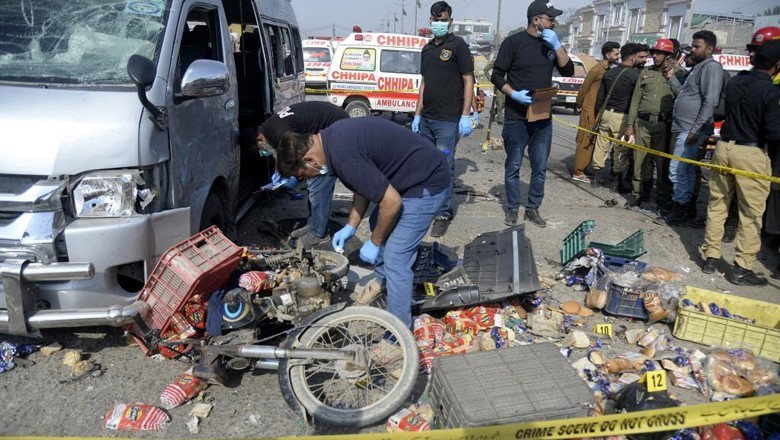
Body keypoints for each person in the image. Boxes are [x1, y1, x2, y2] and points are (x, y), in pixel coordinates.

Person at [275, 117, 450, 328]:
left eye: (304, 176)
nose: (309, 179)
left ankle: (398, 334)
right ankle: (382, 281)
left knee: (396, 258)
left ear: (310, 160)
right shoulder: (331, 140)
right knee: (378, 221)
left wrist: (375, 242)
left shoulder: (343, 157)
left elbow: (392, 202)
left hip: (427, 182)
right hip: (410, 176)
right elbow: (363, 184)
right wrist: (351, 225)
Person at [700, 40, 780, 286]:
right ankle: (741, 268)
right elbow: (773, 132)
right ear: (777, 65)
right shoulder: (771, 91)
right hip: (751, 153)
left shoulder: (736, 82)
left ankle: (711, 257)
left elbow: (722, 111)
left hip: (724, 147)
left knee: (717, 205)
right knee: (750, 214)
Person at [490, 0, 573, 228]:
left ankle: (532, 208)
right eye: (550, 19)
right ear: (536, 20)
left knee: (539, 168)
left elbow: (568, 70)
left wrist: (557, 45)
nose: (554, 23)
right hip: (516, 116)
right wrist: (513, 94)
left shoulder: (551, 44)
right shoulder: (513, 43)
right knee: (514, 165)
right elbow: (496, 75)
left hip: (542, 118)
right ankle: (512, 207)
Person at [412, 1, 475, 238]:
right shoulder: (427, 49)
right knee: (426, 166)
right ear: (430, 21)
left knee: (444, 167)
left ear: (450, 21)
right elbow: (424, 83)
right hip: (427, 119)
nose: (440, 23)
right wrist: (417, 114)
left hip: (448, 121)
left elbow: (468, 80)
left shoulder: (458, 46)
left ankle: (443, 213)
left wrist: (466, 114)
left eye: (444, 20)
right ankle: (428, 207)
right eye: (436, 20)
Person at [256, 101, 349, 247]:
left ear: (259, 139)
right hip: (330, 126)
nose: (262, 152)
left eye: (260, 149)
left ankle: (319, 233)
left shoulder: (279, 132)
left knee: (318, 184)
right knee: (313, 184)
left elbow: (301, 153)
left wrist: (294, 176)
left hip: (338, 129)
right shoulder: (271, 128)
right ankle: (314, 224)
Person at [663, 31, 724, 225]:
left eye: (697, 46)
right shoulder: (698, 67)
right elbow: (685, 94)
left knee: (679, 170)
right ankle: (684, 207)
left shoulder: (711, 68)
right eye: (693, 46)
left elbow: (710, 101)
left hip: (691, 129)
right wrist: (671, 79)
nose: (693, 50)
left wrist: (695, 129)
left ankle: (681, 208)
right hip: (684, 127)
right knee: (684, 170)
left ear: (709, 49)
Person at [624, 39, 686, 208]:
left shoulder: (679, 75)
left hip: (664, 126)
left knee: (662, 164)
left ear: (669, 55)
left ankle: (662, 196)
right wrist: (630, 125)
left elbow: (683, 98)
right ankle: (637, 194)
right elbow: (635, 100)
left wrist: (672, 77)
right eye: (654, 53)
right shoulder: (645, 72)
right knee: (639, 161)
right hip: (642, 124)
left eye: (659, 53)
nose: (655, 56)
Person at [591, 43, 645, 192]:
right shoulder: (635, 76)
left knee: (601, 146)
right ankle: (616, 182)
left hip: (606, 114)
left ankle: (596, 177)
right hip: (622, 117)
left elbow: (600, 97)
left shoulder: (609, 73)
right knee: (620, 149)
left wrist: (600, 113)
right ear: (633, 57)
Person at [571, 41, 621, 184]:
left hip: (597, 110)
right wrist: (579, 104)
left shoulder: (607, 69)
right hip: (589, 110)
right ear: (607, 54)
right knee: (585, 140)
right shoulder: (596, 69)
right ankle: (578, 172)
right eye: (616, 53)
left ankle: (584, 167)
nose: (618, 56)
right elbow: (584, 88)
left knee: (592, 141)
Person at [483, 60, 506, 125]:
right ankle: (500, 119)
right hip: (498, 85)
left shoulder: (508, 62)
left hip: (506, 85)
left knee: (505, 103)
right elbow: (485, 70)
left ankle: (492, 112)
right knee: (499, 102)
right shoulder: (496, 62)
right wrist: (491, 79)